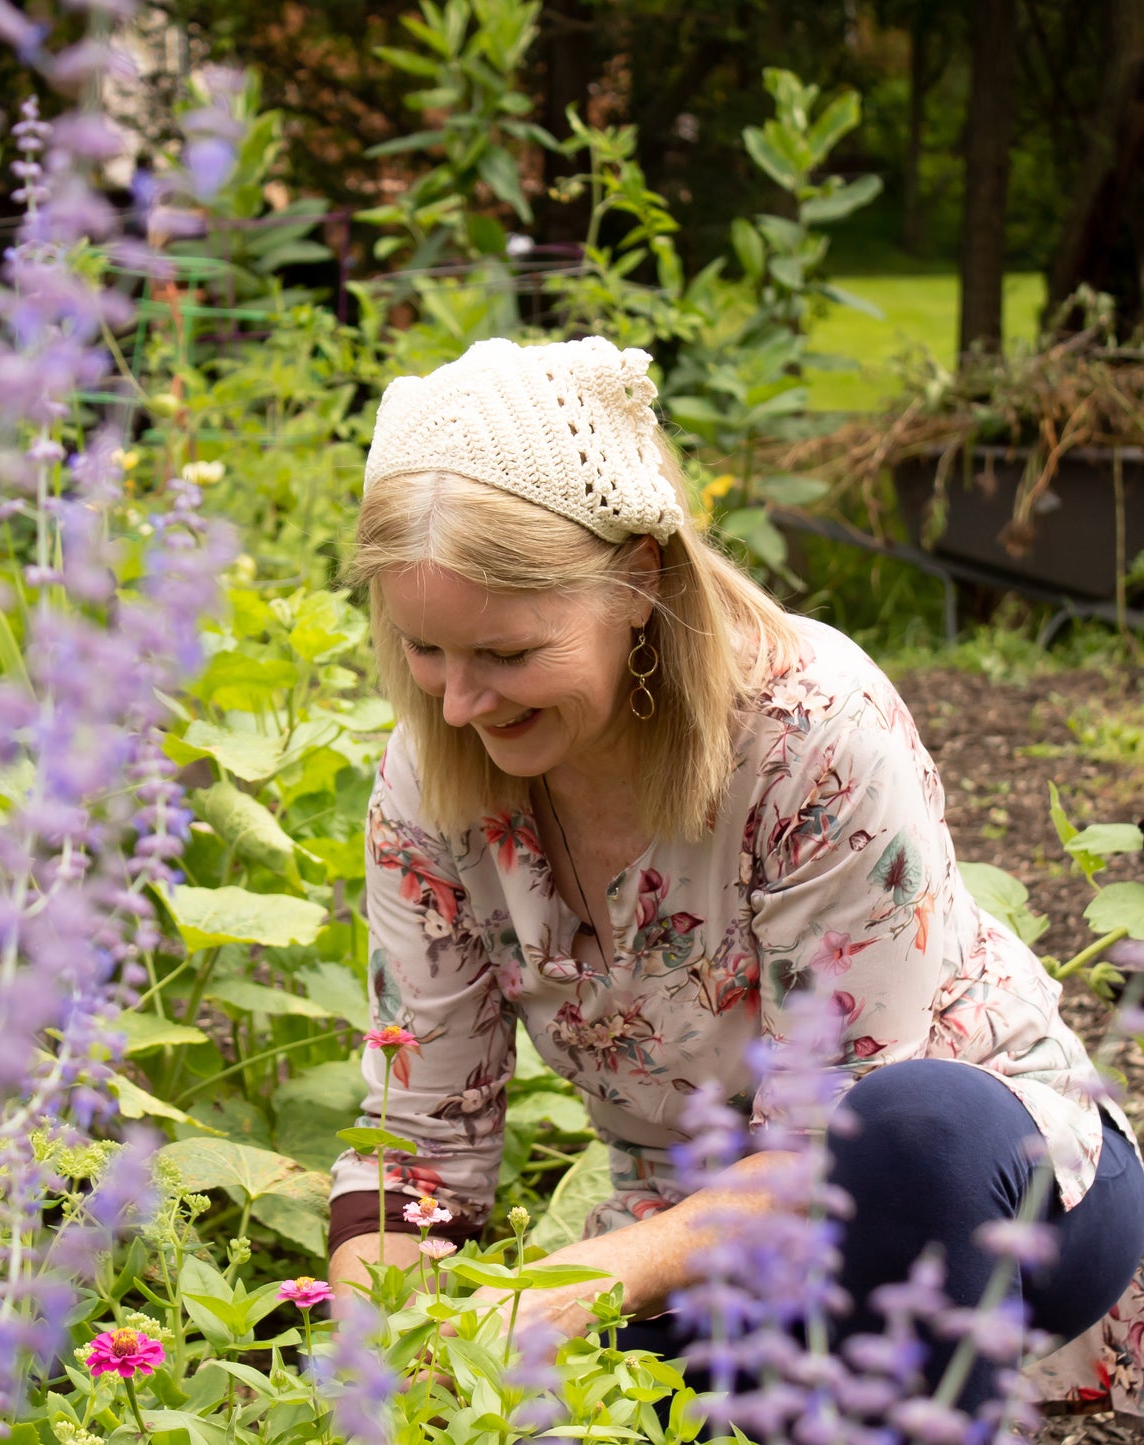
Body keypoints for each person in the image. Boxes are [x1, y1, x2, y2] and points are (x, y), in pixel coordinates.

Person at [325, 335, 1144, 1414]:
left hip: (978, 1197)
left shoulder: (811, 730)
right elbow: (418, 1144)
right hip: (692, 1247)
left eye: (507, 654)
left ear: (636, 578)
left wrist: (570, 1287)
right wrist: (386, 1344)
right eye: (423, 650)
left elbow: (828, 1145)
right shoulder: (429, 779)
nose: (458, 702)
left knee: (916, 1130)